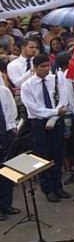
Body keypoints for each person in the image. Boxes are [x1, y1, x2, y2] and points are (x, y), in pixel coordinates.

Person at [20, 54, 70, 202]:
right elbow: (33, 108)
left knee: (57, 154)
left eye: (48, 66)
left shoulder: (56, 79)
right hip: (39, 123)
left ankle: (58, 186)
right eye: (42, 67)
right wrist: (53, 112)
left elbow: (63, 99)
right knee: (43, 156)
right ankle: (48, 188)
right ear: (35, 68)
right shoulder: (27, 86)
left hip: (56, 121)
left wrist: (56, 113)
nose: (46, 69)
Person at [0, 80, 20, 220]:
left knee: (8, 170)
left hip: (6, 134)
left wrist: (11, 130)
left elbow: (12, 112)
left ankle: (6, 204)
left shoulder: (4, 91)